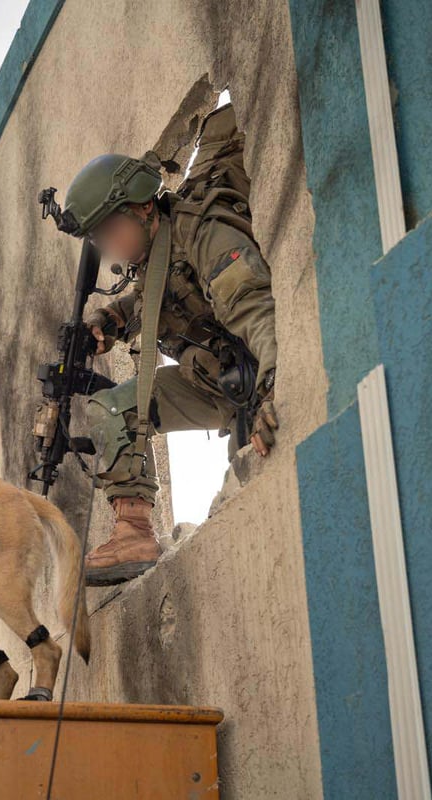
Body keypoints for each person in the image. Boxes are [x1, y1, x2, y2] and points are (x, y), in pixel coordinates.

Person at [47, 107, 279, 585]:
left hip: (255, 379)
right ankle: (133, 533)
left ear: (144, 208)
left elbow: (253, 307)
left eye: (113, 230)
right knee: (114, 407)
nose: (110, 246)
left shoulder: (201, 229)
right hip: (212, 383)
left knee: (268, 506)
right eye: (100, 238)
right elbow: (151, 298)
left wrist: (277, 388)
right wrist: (110, 320)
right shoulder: (153, 255)